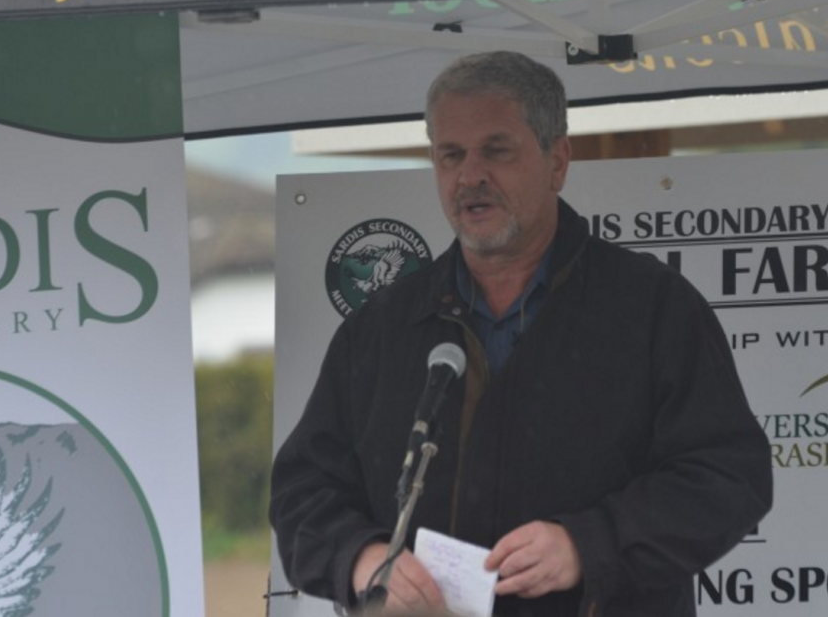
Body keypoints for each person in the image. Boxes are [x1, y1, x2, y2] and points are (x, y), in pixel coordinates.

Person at [270, 51, 773, 617]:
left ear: (557, 161)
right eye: (450, 155)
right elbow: (302, 491)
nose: (470, 176)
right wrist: (359, 559)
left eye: (497, 150)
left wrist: (590, 543)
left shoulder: (652, 307)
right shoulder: (381, 328)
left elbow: (730, 478)